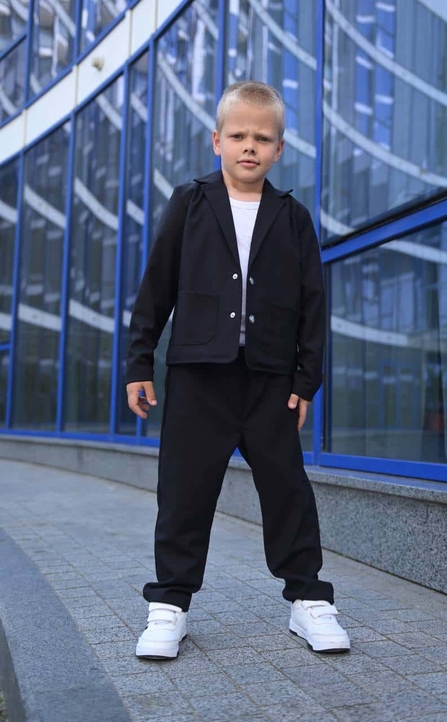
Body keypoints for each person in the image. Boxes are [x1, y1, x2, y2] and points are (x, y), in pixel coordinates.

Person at [125, 81, 350, 659]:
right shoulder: (190, 202)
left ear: (279, 148)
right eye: (239, 135)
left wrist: (305, 380)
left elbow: (313, 304)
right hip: (199, 375)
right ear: (217, 140)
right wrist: (139, 362)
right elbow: (156, 287)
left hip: (271, 380)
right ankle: (170, 605)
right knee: (184, 491)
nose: (250, 146)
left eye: (263, 138)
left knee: (287, 490)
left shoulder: (292, 217)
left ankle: (308, 599)